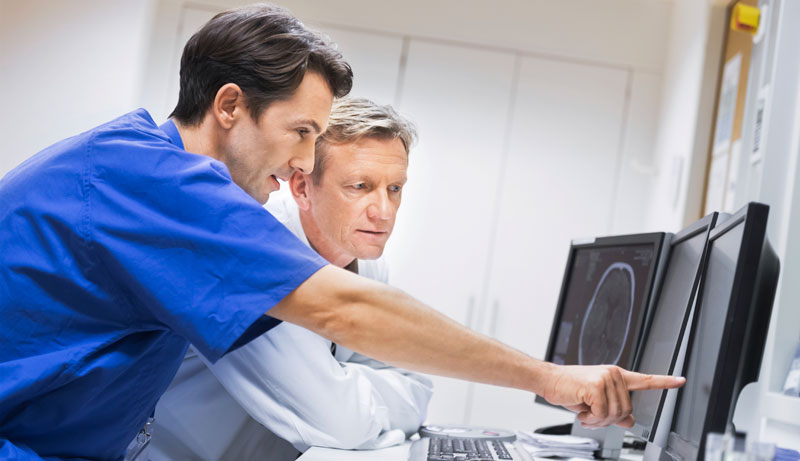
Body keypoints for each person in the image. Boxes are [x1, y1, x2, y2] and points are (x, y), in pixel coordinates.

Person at [0, 4, 684, 459]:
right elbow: (347, 313)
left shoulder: (138, 158)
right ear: (231, 106)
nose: (303, 162)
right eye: (301, 133)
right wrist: (553, 378)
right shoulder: (160, 185)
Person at [148, 98, 431, 459]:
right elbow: (337, 421)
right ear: (300, 189)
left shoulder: (365, 258)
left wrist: (343, 387)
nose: (383, 212)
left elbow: (416, 387)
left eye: (394, 188)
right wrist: (354, 393)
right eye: (360, 186)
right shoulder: (253, 252)